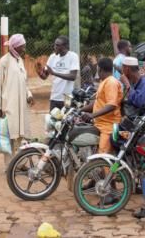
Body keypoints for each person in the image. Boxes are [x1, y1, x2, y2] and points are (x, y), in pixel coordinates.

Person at [80, 58, 123, 204]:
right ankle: (96, 181)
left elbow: (111, 105)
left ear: (100, 68)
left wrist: (91, 115)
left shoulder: (110, 82)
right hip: (101, 124)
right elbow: (98, 103)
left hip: (109, 126)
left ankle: (111, 192)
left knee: (104, 158)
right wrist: (80, 110)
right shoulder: (104, 82)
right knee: (97, 154)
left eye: (97, 68)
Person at [0, 34, 34, 167]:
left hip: (22, 106)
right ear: (15, 46)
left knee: (21, 137)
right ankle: (9, 166)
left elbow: (24, 82)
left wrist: (29, 94)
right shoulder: (4, 61)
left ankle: (20, 164)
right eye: (22, 46)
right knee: (10, 136)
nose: (24, 48)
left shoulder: (20, 61)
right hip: (9, 105)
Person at [36, 36, 79, 111]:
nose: (55, 47)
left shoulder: (73, 56)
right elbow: (45, 76)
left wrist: (55, 73)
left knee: (67, 120)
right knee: (52, 121)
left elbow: (73, 77)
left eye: (57, 45)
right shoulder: (52, 57)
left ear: (65, 46)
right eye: (55, 45)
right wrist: (40, 73)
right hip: (54, 97)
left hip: (67, 97)